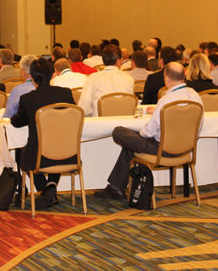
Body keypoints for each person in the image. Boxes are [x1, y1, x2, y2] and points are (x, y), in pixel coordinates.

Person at [95, 62, 202, 199]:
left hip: (162, 149)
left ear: (166, 78)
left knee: (119, 132)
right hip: (186, 149)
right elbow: (198, 127)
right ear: (184, 76)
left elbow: (148, 133)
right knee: (130, 146)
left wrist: (139, 134)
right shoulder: (196, 97)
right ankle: (115, 188)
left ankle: (115, 188)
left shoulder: (166, 100)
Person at [11, 59, 75, 209]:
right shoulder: (65, 94)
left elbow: (17, 122)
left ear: (32, 77)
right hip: (67, 154)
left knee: (22, 153)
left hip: (38, 157)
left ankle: (45, 190)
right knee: (56, 144)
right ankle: (51, 186)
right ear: (52, 75)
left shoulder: (28, 99)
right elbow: (73, 115)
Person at [78, 45, 134, 117]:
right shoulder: (129, 79)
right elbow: (131, 105)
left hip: (99, 122)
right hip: (124, 121)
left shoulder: (93, 78)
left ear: (103, 60)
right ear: (119, 61)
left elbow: (84, 107)